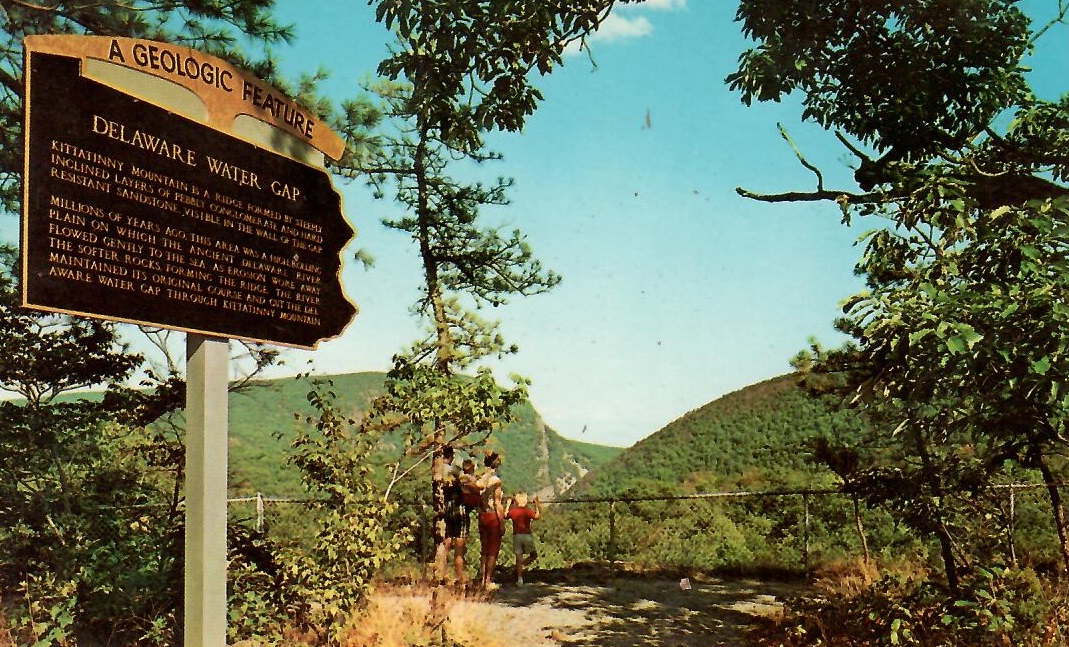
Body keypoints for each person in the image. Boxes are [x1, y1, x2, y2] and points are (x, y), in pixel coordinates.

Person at [437, 445, 469, 586]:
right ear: (450, 456)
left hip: (447, 509)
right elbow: (466, 479)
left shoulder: (437, 470)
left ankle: (440, 574)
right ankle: (460, 579)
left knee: (447, 543)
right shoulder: (453, 470)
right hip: (459, 509)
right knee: (459, 547)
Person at [476, 450, 505, 590]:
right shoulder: (496, 481)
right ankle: (488, 580)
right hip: (493, 516)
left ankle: (482, 579)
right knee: (493, 550)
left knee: (484, 549)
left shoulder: (480, 480)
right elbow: (497, 503)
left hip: (482, 515)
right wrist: (502, 522)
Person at [505, 491, 541, 585]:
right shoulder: (527, 510)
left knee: (518, 557)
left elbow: (505, 516)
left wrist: (508, 505)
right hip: (527, 535)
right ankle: (521, 566)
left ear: (516, 502)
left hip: (516, 535)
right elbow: (537, 516)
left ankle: (519, 578)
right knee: (533, 555)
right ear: (525, 501)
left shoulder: (513, 511)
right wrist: (536, 505)